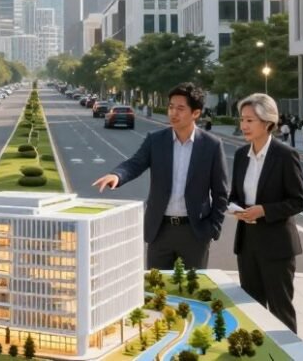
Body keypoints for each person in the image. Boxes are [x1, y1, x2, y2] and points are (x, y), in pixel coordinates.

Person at [93, 83, 229, 269]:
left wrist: (213, 229)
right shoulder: (156, 140)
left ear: (195, 113)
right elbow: (135, 164)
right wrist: (116, 175)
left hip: (195, 232)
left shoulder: (211, 145)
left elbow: (221, 192)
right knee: (156, 291)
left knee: (193, 291)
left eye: (180, 108)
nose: (173, 113)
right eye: (171, 107)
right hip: (160, 230)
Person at [229, 94, 303, 332]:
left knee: (280, 312)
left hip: (277, 247)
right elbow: (235, 195)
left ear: (268, 122)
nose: (244, 126)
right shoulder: (241, 155)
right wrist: (235, 208)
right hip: (247, 244)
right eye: (242, 119)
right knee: (251, 312)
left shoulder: (285, 156)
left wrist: (264, 210)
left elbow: (298, 201)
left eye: (250, 120)